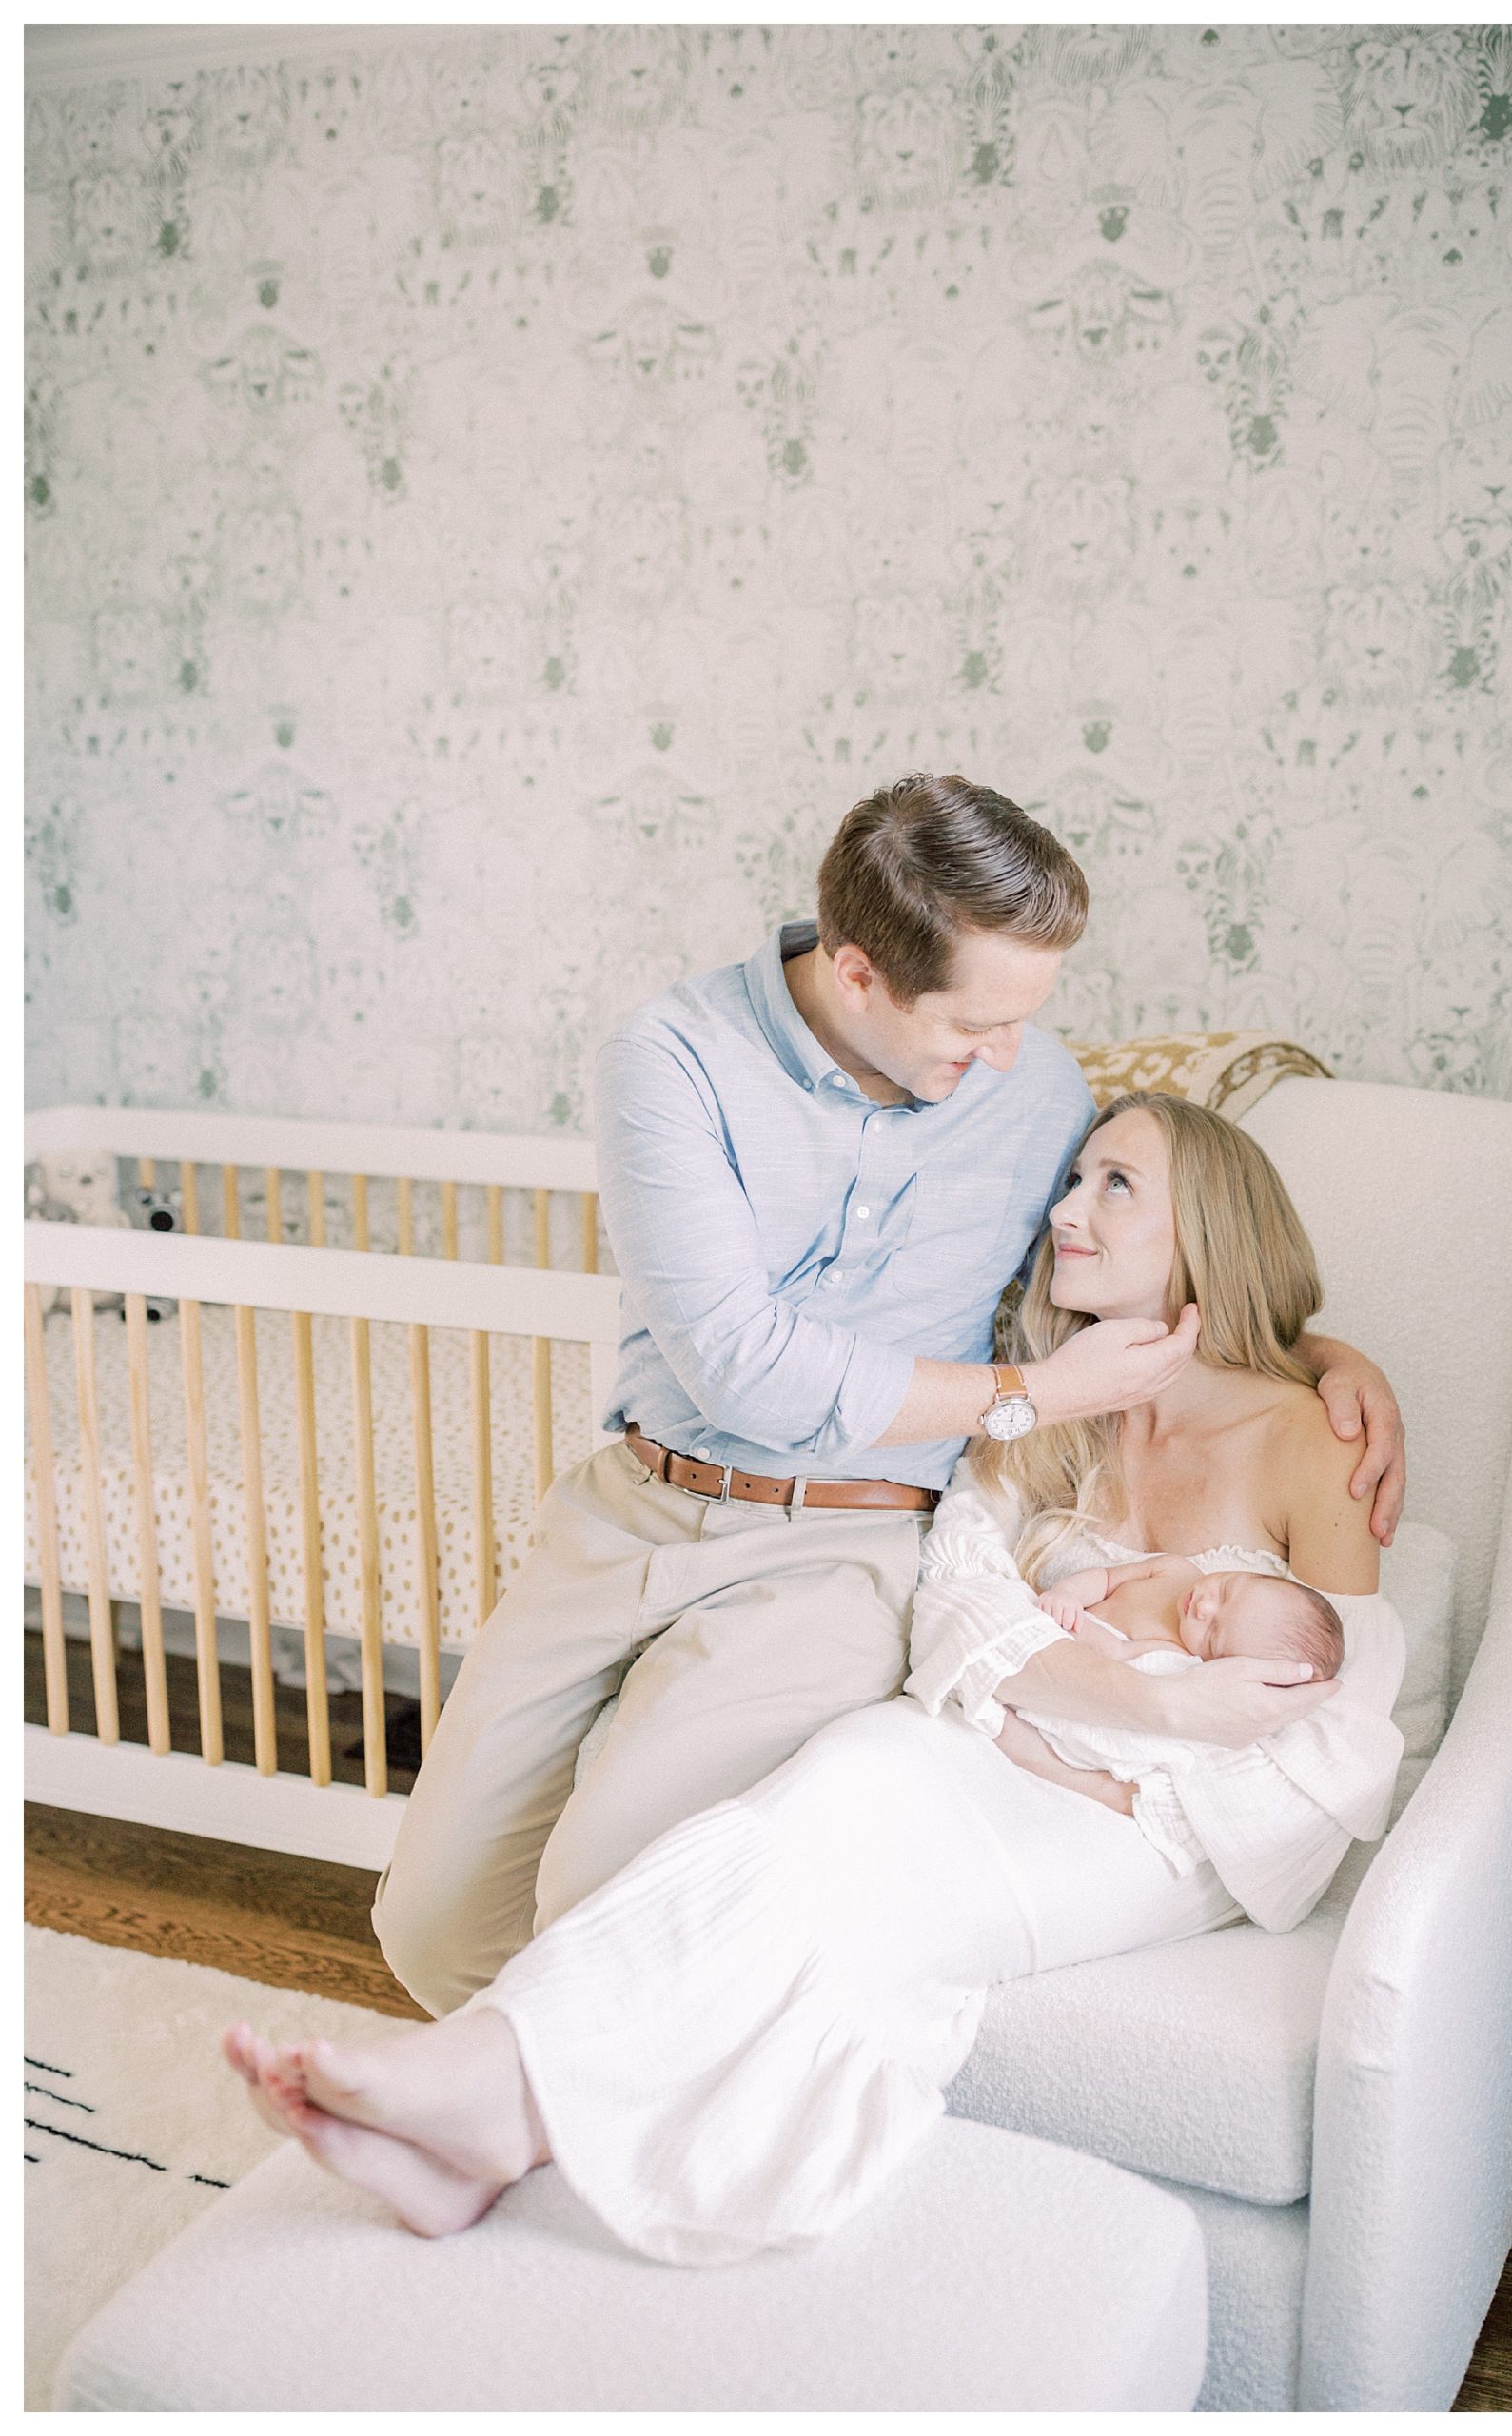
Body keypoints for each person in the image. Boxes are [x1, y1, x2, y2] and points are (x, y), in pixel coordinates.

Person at [225, 1092, 1408, 2268]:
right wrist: (1138, 1698)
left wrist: (1102, 1739)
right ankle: (492, 2103)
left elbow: (1339, 1730)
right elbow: (955, 1598)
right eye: (1074, 1175)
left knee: (856, 1892)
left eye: (1114, 1185)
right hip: (995, 1745)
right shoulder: (1036, 1409)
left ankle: (493, 2095)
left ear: (1202, 1229)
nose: (1063, 1208)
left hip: (1150, 1824)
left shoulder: (1306, 1438)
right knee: (823, 1788)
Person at [374, 774, 1405, 2016]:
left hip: (844, 1543)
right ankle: (550, 2119)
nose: (1009, 1059)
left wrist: (1315, 1357)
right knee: (429, 1928)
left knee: (599, 1900)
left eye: (1027, 1020)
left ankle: (534, 2138)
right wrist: (1021, 1392)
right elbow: (738, 1362)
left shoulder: (1030, 1096)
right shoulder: (672, 1061)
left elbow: (1152, 1249)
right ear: (857, 974)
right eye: (973, 1029)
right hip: (634, 1507)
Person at [992, 1554, 1346, 1827]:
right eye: (1227, 1590)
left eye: (1213, 1632)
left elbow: (1114, 1653)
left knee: (1016, 1730)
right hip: (1064, 1607)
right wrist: (1068, 1595)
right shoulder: (1176, 1569)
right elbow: (1108, 1578)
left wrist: (1072, 1624)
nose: (1204, 1606)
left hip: (1072, 1648)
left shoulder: (1173, 1651)